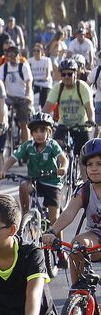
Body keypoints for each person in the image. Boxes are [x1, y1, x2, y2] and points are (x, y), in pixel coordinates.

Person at [42, 137, 101, 285]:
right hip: (96, 236)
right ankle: (78, 292)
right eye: (90, 164)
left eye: (99, 164)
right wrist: (52, 231)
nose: (94, 168)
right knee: (76, 245)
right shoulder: (84, 190)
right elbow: (68, 213)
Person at [12, 115, 65, 225]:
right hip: (35, 181)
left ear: (49, 132)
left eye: (42, 130)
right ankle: (26, 215)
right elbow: (14, 158)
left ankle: (58, 242)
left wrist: (63, 168)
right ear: (31, 134)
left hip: (52, 182)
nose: (39, 134)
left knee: (54, 220)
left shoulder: (52, 145)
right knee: (23, 185)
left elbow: (63, 159)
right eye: (35, 131)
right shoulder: (28, 145)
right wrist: (3, 170)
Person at [47, 58, 94, 156]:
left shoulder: (82, 87)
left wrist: (90, 121)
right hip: (63, 125)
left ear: (75, 74)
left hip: (81, 126)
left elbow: (89, 109)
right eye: (63, 74)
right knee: (56, 150)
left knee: (83, 155)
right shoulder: (58, 88)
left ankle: (82, 171)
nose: (66, 77)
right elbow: (46, 108)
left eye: (70, 74)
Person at [0, 44, 34, 140]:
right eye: (10, 56)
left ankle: (26, 146)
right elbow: (0, 84)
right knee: (1, 116)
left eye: (15, 55)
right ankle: (5, 141)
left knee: (24, 123)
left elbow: (28, 83)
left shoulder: (24, 67)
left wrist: (28, 95)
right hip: (9, 97)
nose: (12, 58)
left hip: (23, 96)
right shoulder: (3, 68)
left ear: (19, 56)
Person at [30, 43, 53, 109]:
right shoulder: (30, 61)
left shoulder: (47, 60)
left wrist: (43, 78)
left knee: (44, 102)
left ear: (42, 51)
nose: (36, 52)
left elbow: (47, 75)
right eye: (34, 50)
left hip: (45, 84)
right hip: (35, 84)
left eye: (38, 51)